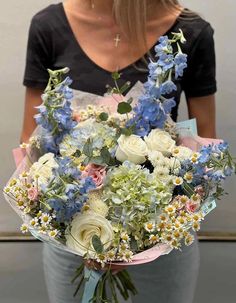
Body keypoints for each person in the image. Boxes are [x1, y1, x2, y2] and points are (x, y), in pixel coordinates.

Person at [21, 1, 217, 302]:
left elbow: (205, 149)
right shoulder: (49, 26)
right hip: (72, 242)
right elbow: (30, 146)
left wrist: (139, 237)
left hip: (162, 247)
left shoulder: (191, 32)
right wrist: (75, 232)